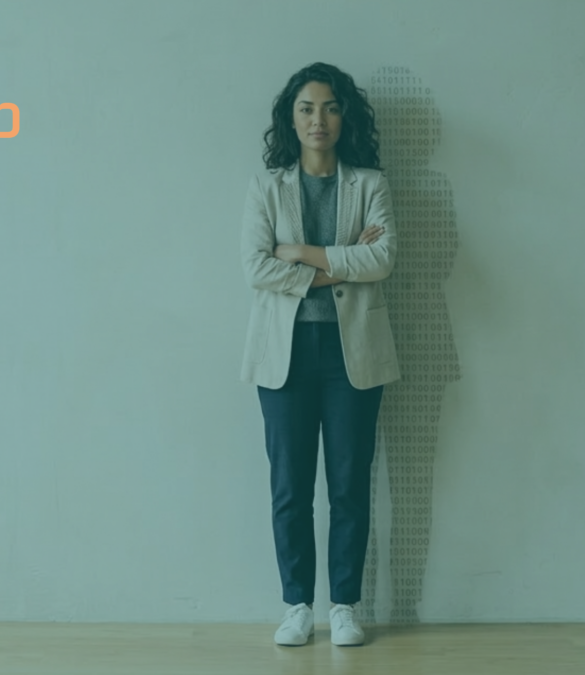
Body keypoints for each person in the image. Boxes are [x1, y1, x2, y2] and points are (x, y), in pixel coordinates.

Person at [239, 62, 400, 647]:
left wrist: (300, 252)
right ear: (292, 116)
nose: (318, 119)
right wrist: (337, 261)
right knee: (290, 486)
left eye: (329, 107)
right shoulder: (267, 186)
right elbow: (256, 266)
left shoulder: (370, 183)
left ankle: (346, 606)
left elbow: (381, 260)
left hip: (351, 350)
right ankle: (297, 605)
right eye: (307, 108)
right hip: (284, 354)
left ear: (344, 115)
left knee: (350, 484)